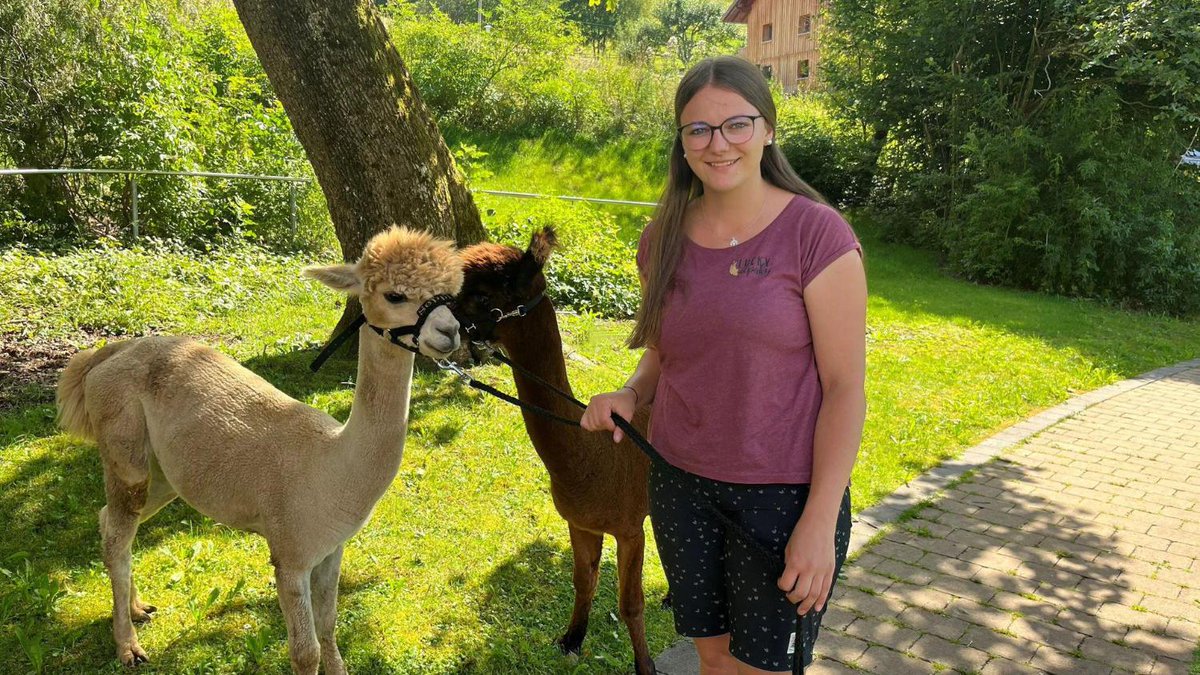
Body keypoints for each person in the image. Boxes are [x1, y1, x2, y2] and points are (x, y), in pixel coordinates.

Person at [580, 55, 867, 675]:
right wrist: (631, 394)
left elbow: (845, 389)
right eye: (698, 130)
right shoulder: (662, 237)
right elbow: (663, 349)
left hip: (783, 496)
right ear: (682, 145)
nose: (719, 144)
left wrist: (819, 521)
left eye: (737, 124)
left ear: (767, 129)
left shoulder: (816, 235)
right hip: (681, 484)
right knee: (714, 662)